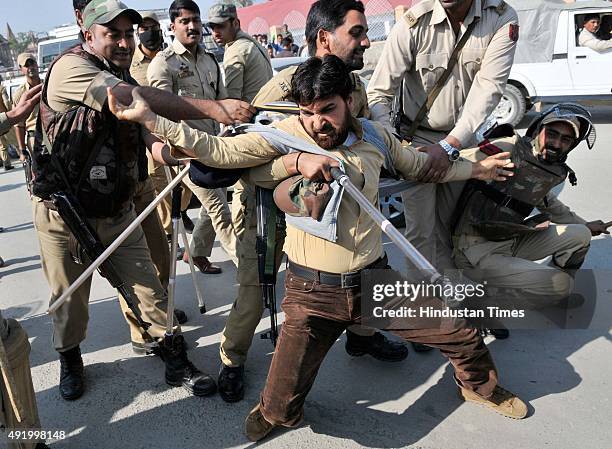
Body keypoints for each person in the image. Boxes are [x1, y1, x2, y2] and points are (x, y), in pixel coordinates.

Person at [108, 55, 524, 440]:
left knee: (461, 333)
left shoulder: (376, 138)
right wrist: (151, 119)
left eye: (327, 110)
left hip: (374, 281)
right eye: (308, 112)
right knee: (278, 405)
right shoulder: (284, 136)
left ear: (349, 100)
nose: (317, 123)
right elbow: (219, 151)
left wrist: (476, 168)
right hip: (311, 293)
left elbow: (420, 168)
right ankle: (277, 411)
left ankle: (478, 387)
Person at [32, 0, 255, 402]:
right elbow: (129, 97)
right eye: (111, 34)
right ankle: (70, 359)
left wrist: (172, 153)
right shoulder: (72, 68)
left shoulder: (117, 71)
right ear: (88, 36)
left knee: (150, 289)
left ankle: (174, 358)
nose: (123, 42)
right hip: (65, 213)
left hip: (117, 208)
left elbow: (144, 135)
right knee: (70, 302)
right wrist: (213, 108)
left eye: (127, 33)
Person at [219, 0, 406, 405]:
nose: (366, 41)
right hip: (271, 206)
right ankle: (232, 360)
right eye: (356, 33)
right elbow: (245, 145)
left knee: (363, 269)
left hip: (334, 204)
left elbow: (367, 136)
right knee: (257, 288)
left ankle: (362, 337)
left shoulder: (353, 88)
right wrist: (294, 162)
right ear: (325, 37)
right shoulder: (283, 86)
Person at [367, 0, 519, 272]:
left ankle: (453, 301)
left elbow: (489, 88)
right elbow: (378, 93)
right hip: (416, 142)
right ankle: (422, 305)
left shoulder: (500, 17)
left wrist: (450, 145)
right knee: (421, 232)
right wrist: (393, 145)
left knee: (455, 229)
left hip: (461, 139)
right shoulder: (414, 22)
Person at [452, 105, 610, 325]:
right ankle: (481, 305)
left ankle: (549, 294)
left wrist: (585, 224)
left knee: (580, 235)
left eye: (566, 139)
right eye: (552, 134)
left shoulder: (547, 168)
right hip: (477, 251)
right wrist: (411, 160)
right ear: (538, 130)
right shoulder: (508, 147)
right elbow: (453, 161)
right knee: (561, 284)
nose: (557, 143)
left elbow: (550, 204)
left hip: (510, 240)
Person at [148, 0, 238, 274]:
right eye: (185, 21)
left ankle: (196, 252)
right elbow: (159, 114)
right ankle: (250, 273)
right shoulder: (163, 64)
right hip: (188, 154)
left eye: (196, 20)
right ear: (172, 26)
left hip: (216, 148)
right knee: (221, 210)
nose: (192, 26)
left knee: (217, 203)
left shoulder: (210, 60)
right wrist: (176, 152)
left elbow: (222, 103)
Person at [207, 2, 273, 102]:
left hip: (251, 113)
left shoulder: (236, 50)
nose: (215, 33)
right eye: (212, 27)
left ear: (235, 24)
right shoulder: (253, 44)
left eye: (220, 26)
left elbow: (233, 100)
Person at [12, 53, 42, 165]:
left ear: (37, 64)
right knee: (40, 163)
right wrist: (22, 150)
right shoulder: (19, 94)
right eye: (27, 65)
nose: (31, 67)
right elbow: (19, 124)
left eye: (32, 63)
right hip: (34, 134)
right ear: (21, 70)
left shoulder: (49, 84)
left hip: (56, 128)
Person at [0, 83, 14, 170]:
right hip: (4, 117)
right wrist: (9, 112)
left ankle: (7, 163)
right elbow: (7, 101)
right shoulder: (1, 88)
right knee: (15, 141)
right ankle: (23, 157)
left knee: (2, 145)